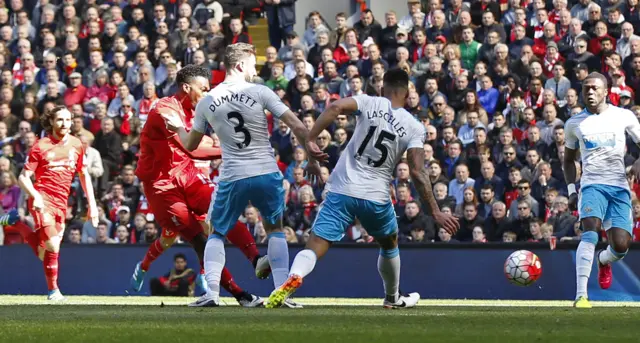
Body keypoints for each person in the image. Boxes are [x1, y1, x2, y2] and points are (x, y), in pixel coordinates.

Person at [265, 68, 459, 309]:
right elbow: (418, 172)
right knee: (389, 244)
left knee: (315, 244)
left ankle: (294, 277)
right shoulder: (415, 127)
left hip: (341, 189)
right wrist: (436, 211)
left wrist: (311, 140)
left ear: (382, 89)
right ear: (408, 92)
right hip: (375, 197)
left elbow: (334, 107)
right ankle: (392, 298)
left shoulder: (368, 102)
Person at [163, 43, 325, 308]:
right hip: (266, 173)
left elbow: (190, 145)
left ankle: (212, 294)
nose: (254, 69)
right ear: (239, 65)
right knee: (275, 230)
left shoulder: (208, 100)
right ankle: (282, 294)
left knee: (216, 233)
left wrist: (178, 128)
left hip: (233, 175)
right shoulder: (260, 91)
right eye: (252, 64)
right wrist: (311, 159)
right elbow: (297, 125)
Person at [131, 65, 263, 307]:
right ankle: (239, 294)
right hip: (162, 187)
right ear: (186, 87)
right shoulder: (164, 109)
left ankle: (257, 260)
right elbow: (190, 147)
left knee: (223, 210)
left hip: (188, 174)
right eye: (203, 88)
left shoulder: (199, 110)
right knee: (199, 240)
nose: (208, 92)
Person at [564, 72, 640, 308]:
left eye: (595, 88)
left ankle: (603, 260)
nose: (590, 92)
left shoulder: (623, 116)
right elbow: (568, 160)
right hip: (591, 185)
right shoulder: (574, 123)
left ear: (606, 91)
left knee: (621, 245)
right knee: (591, 231)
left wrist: (637, 162)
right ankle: (581, 295)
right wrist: (571, 190)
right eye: (586, 88)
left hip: (618, 186)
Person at [17, 106, 99, 301]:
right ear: (52, 122)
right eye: (60, 120)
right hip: (42, 200)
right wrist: (35, 196)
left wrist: (93, 205)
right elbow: (23, 177)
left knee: (44, 252)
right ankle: (54, 291)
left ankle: (18, 224)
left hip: (62, 203)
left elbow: (84, 175)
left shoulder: (77, 145)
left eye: (68, 120)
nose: (65, 124)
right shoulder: (40, 146)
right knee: (53, 245)